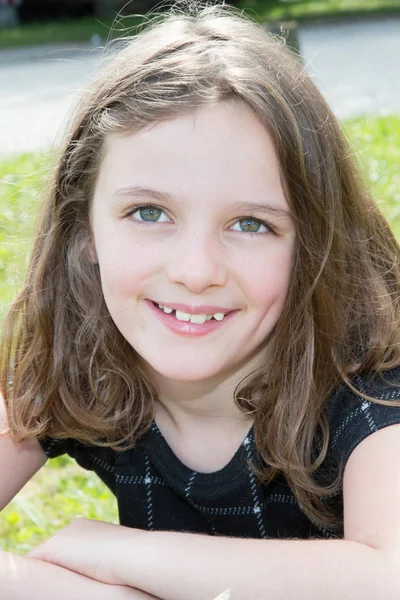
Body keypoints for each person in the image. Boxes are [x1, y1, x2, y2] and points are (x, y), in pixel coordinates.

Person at [1, 1, 400, 598]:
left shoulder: (367, 378)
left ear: (314, 246)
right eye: (149, 213)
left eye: (250, 224)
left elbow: (389, 575)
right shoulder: (79, 355)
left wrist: (115, 551)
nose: (195, 271)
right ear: (83, 234)